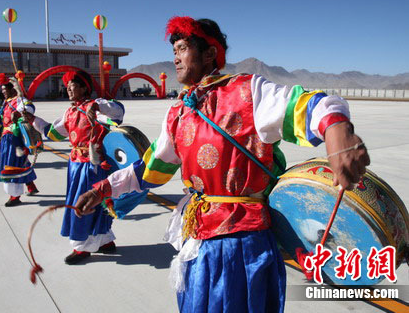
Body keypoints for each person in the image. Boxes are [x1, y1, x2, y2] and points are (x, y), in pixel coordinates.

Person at [74, 17, 370, 312]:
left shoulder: (247, 92)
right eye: (173, 51)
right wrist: (102, 189)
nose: (175, 58)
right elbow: (151, 168)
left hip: (243, 247)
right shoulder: (178, 113)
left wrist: (337, 131)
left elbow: (308, 104)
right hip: (198, 239)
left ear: (209, 54)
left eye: (182, 49)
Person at [23, 70, 125, 264]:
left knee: (84, 203)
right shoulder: (70, 112)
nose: (69, 90)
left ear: (85, 88)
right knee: (93, 202)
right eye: (67, 87)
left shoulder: (97, 107)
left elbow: (118, 112)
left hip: (93, 166)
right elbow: (54, 133)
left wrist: (97, 106)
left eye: (73, 86)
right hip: (76, 164)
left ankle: (81, 247)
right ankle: (104, 240)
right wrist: (33, 120)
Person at [0, 73, 39, 207]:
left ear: (13, 89)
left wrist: (19, 112)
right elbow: (3, 120)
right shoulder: (6, 103)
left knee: (12, 165)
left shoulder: (19, 100)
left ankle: (15, 196)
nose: (3, 93)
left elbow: (29, 108)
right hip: (6, 138)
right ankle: (30, 185)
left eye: (5, 90)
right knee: (20, 163)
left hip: (16, 138)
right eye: (1, 91)